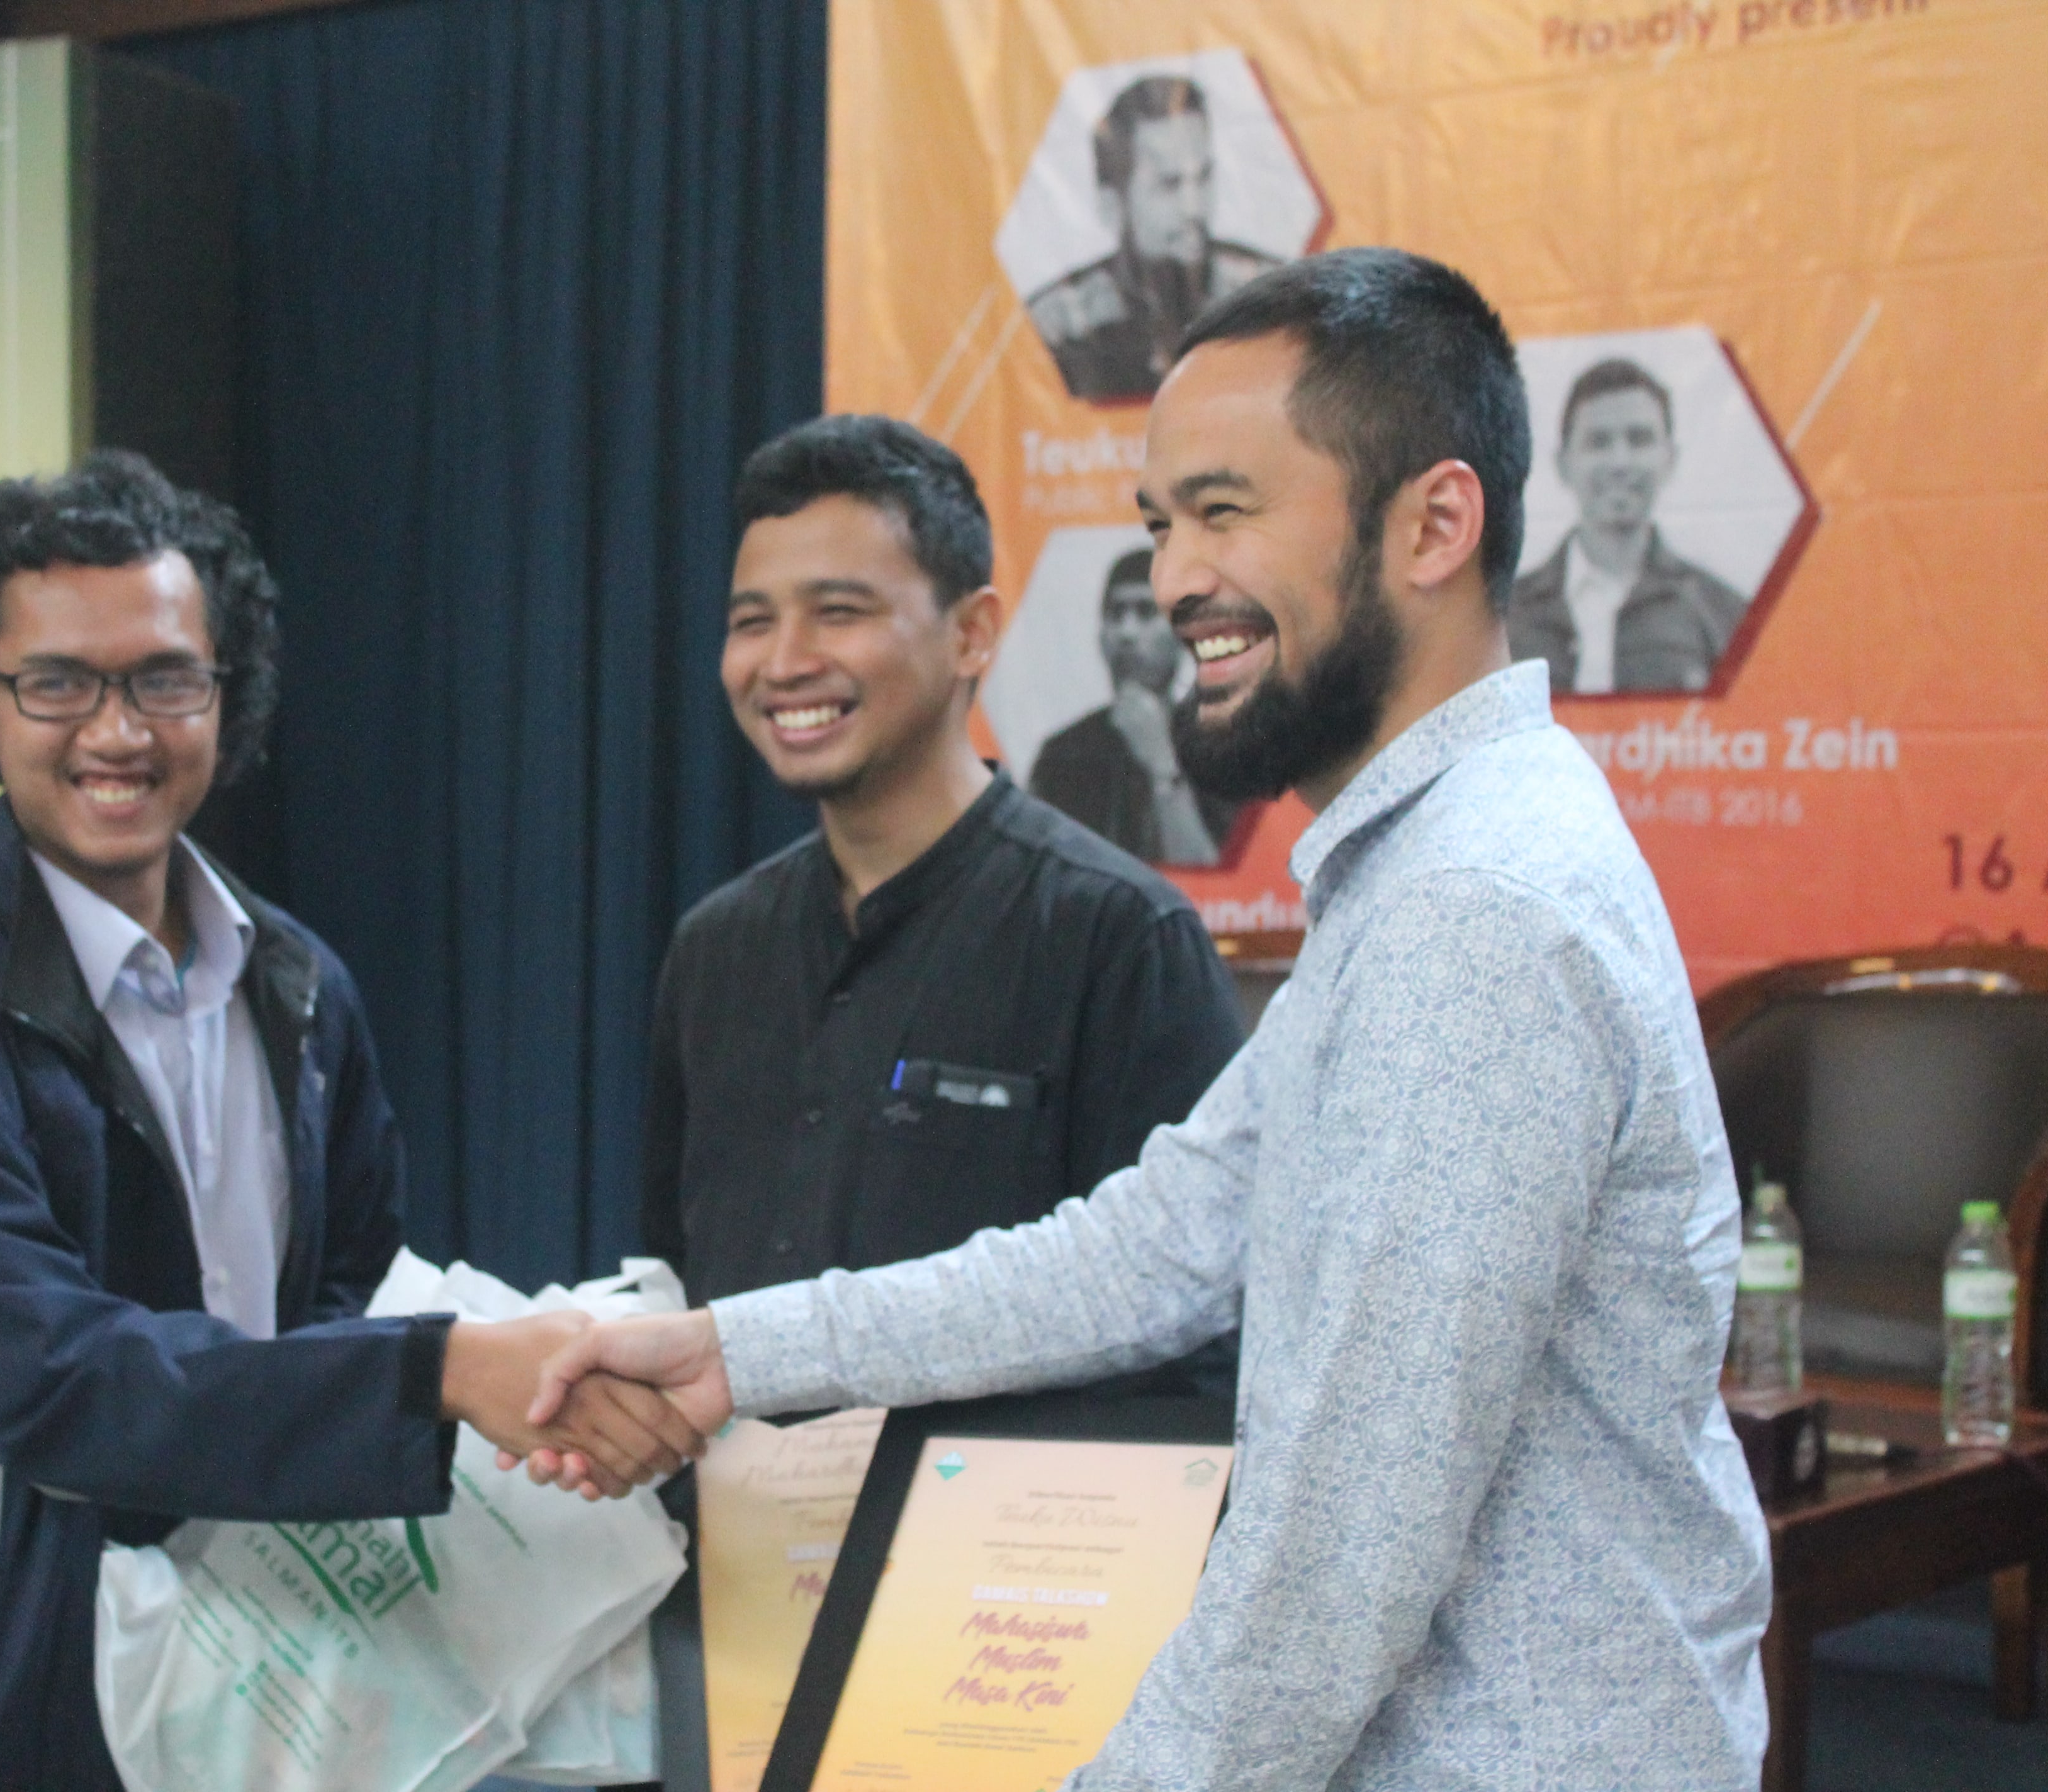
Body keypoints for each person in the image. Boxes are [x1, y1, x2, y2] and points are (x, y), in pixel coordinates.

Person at [526, 250, 1774, 1790]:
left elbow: (1335, 1563)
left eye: (1224, 511)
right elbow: (1154, 1243)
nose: (1175, 578)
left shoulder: (1474, 906)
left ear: (1434, 525)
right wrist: (737, 1347)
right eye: (1159, 522)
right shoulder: (1428, 864)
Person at [0, 452, 695, 1792]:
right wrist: (443, 1373)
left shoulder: (299, 984)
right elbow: (56, 1381)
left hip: (257, 1657)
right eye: (57, 683)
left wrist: (517, 1381)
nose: (116, 731)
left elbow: (343, 1290)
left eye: (164, 678)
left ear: (226, 691)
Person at [639, 415, 1243, 1309]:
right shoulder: (714, 951)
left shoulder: (1119, 940)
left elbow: (1191, 1313)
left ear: (971, 634)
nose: (784, 662)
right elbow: (673, 1282)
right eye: (752, 622)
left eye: (838, 613)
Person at [1027, 73, 1281, 405]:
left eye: (1203, 177)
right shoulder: (1063, 319)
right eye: (1169, 185)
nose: (1194, 209)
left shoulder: (1267, 296)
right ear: (1112, 204)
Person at [1507, 356, 1747, 693]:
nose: (1620, 462)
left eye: (1639, 439)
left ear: (1670, 459)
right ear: (1563, 464)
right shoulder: (1502, 618)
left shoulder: (1725, 615)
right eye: (1598, 442)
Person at [1028, 546, 1242, 865]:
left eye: (1146, 612)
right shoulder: (1063, 755)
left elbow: (1219, 880)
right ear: (1101, 638)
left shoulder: (1221, 746)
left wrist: (1163, 768)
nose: (1126, 633)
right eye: (1116, 614)